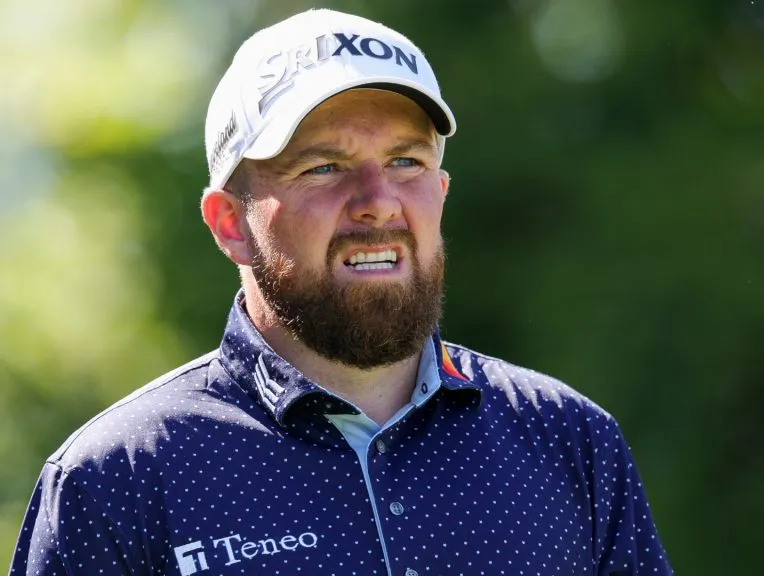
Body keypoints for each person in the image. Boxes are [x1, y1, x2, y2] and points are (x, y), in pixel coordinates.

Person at [9, 9, 673, 576]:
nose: (378, 202)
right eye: (324, 167)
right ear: (230, 223)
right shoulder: (118, 477)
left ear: (441, 194)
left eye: (406, 162)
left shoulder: (569, 440)